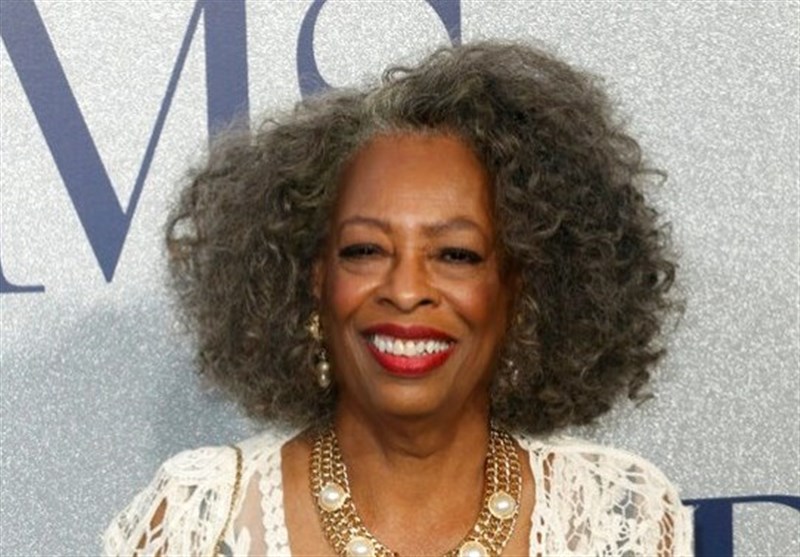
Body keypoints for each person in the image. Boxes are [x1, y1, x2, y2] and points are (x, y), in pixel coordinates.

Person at [103, 41, 693, 556]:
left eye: (456, 254)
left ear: (522, 288)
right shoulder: (195, 523)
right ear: (312, 280)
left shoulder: (620, 516)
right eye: (365, 250)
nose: (406, 291)